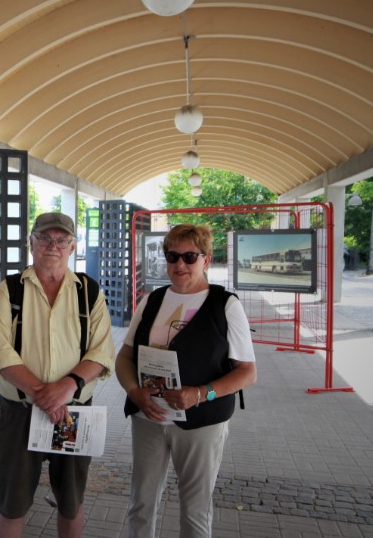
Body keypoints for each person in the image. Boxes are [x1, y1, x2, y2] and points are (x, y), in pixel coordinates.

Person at [115, 224, 257, 538]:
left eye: (190, 257)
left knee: (195, 511)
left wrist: (200, 394)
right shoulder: (152, 300)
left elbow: (247, 372)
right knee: (140, 504)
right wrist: (135, 392)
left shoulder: (225, 305)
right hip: (149, 417)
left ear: (206, 260)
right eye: (172, 256)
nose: (180, 264)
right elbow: (124, 357)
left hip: (201, 422)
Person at [0, 212, 116, 538]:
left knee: (71, 502)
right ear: (31, 242)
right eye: (44, 238)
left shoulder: (89, 291)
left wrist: (66, 389)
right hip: (19, 412)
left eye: (61, 240)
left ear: (72, 246)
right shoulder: (9, 290)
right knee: (10, 503)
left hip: (73, 413)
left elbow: (101, 352)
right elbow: (1, 353)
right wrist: (46, 395)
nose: (52, 246)